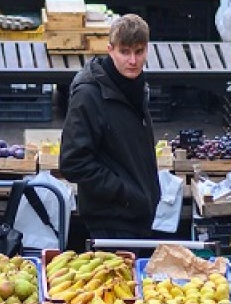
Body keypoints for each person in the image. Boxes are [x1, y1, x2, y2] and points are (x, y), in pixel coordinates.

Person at [59, 13, 158, 241]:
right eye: (124, 52)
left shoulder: (135, 86)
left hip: (137, 216)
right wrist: (126, 194)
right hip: (111, 221)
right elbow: (72, 162)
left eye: (139, 52)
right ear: (110, 49)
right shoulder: (89, 95)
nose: (132, 61)